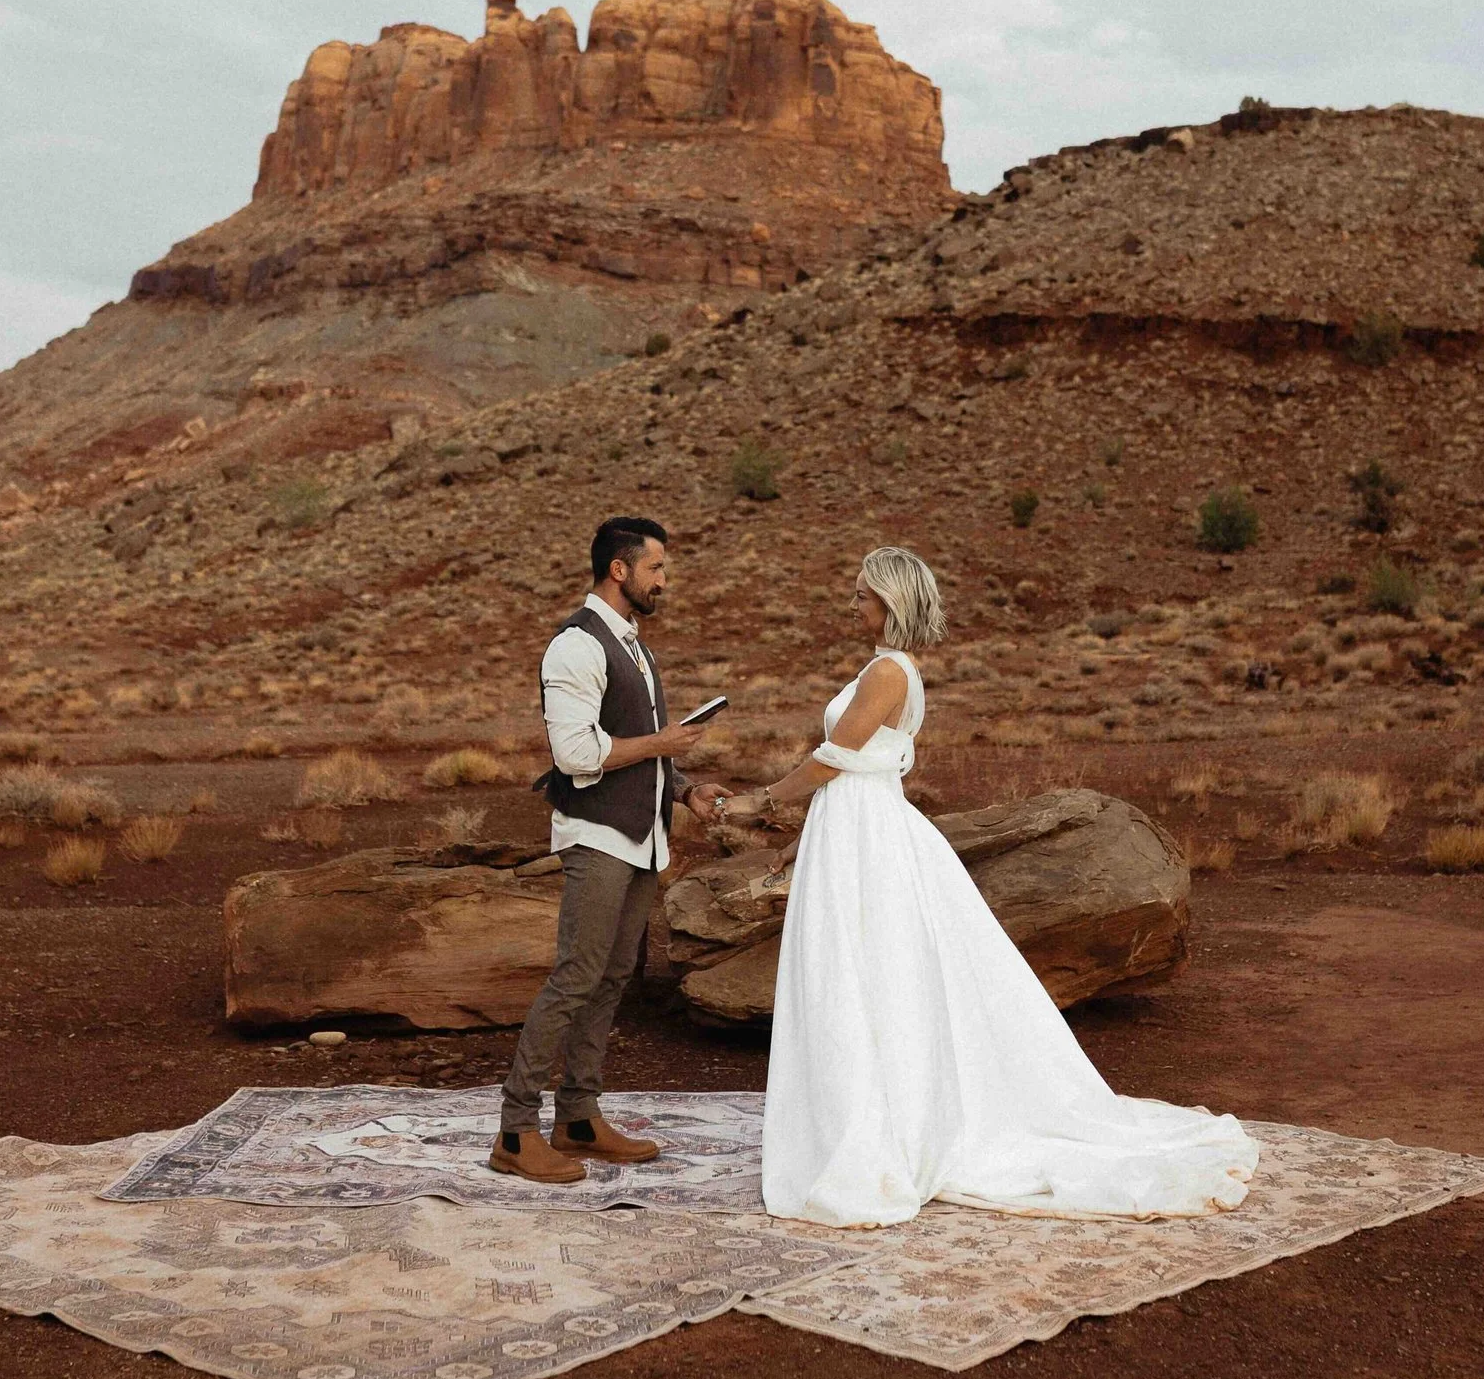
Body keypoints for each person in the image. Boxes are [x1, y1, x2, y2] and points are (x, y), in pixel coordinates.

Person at [723, 546, 1259, 1227]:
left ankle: (883, 1127)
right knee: (863, 970)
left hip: (868, 836)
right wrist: (803, 837)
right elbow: (857, 769)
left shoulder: (888, 671)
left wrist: (760, 800)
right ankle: (864, 1114)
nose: (852, 604)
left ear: (890, 600)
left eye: (862, 594)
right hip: (854, 826)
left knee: (866, 970)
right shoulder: (884, 667)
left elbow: (836, 757)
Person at [491, 516, 731, 1183]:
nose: (664, 581)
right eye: (656, 568)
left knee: (612, 976)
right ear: (619, 570)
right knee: (577, 975)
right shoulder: (576, 645)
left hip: (642, 839)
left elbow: (636, 744)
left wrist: (683, 789)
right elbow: (574, 753)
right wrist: (662, 744)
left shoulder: (632, 643)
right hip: (597, 837)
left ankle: (577, 1116)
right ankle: (515, 1130)